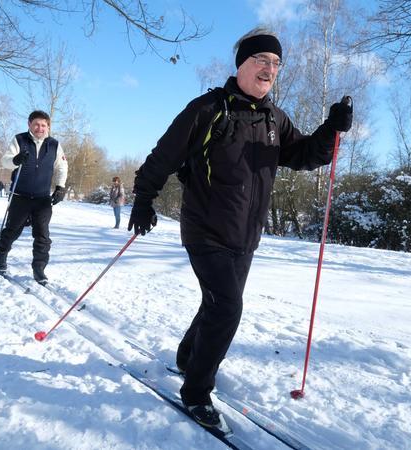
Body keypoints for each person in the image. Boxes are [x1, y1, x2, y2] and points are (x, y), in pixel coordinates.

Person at [128, 27, 353, 429]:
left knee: (216, 305)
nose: (270, 69)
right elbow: (164, 154)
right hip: (205, 231)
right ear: (242, 65)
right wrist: (144, 198)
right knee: (228, 308)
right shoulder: (208, 109)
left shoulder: (274, 119)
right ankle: (197, 392)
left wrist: (330, 130)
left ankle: (186, 358)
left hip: (246, 236)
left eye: (276, 63)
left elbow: (303, 156)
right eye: (261, 60)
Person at [0, 110, 68, 285]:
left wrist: (60, 187)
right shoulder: (19, 140)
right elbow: (4, 160)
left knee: (42, 235)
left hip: (42, 199)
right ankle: (2, 255)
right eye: (36, 124)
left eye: (43, 125)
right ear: (29, 124)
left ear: (48, 127)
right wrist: (15, 159)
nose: (40, 128)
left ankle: (39, 268)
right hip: (20, 196)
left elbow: (62, 167)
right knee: (12, 230)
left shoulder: (54, 145)